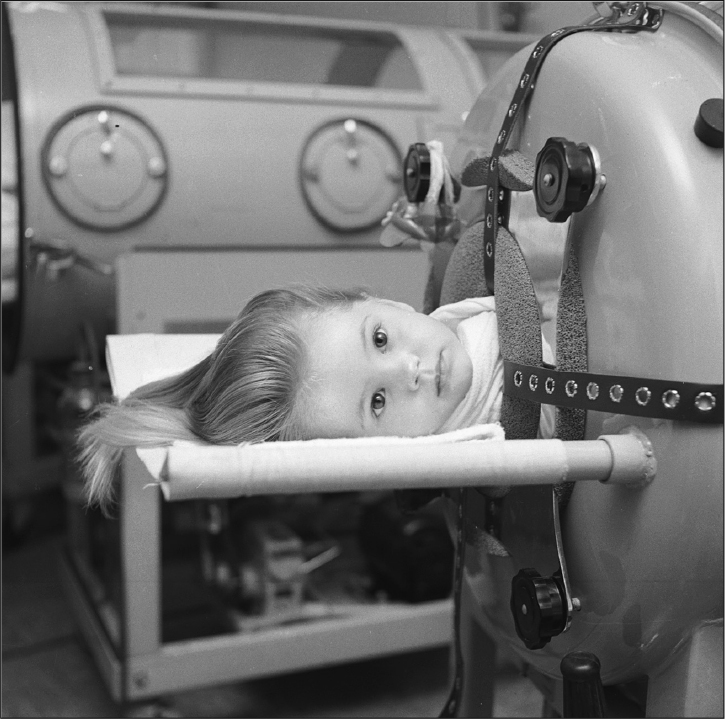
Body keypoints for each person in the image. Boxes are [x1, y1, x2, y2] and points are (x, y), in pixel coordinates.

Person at [78, 284, 542, 515]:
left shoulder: (480, 303)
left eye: (380, 338)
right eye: (377, 402)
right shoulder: (505, 429)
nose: (410, 370)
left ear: (382, 302)